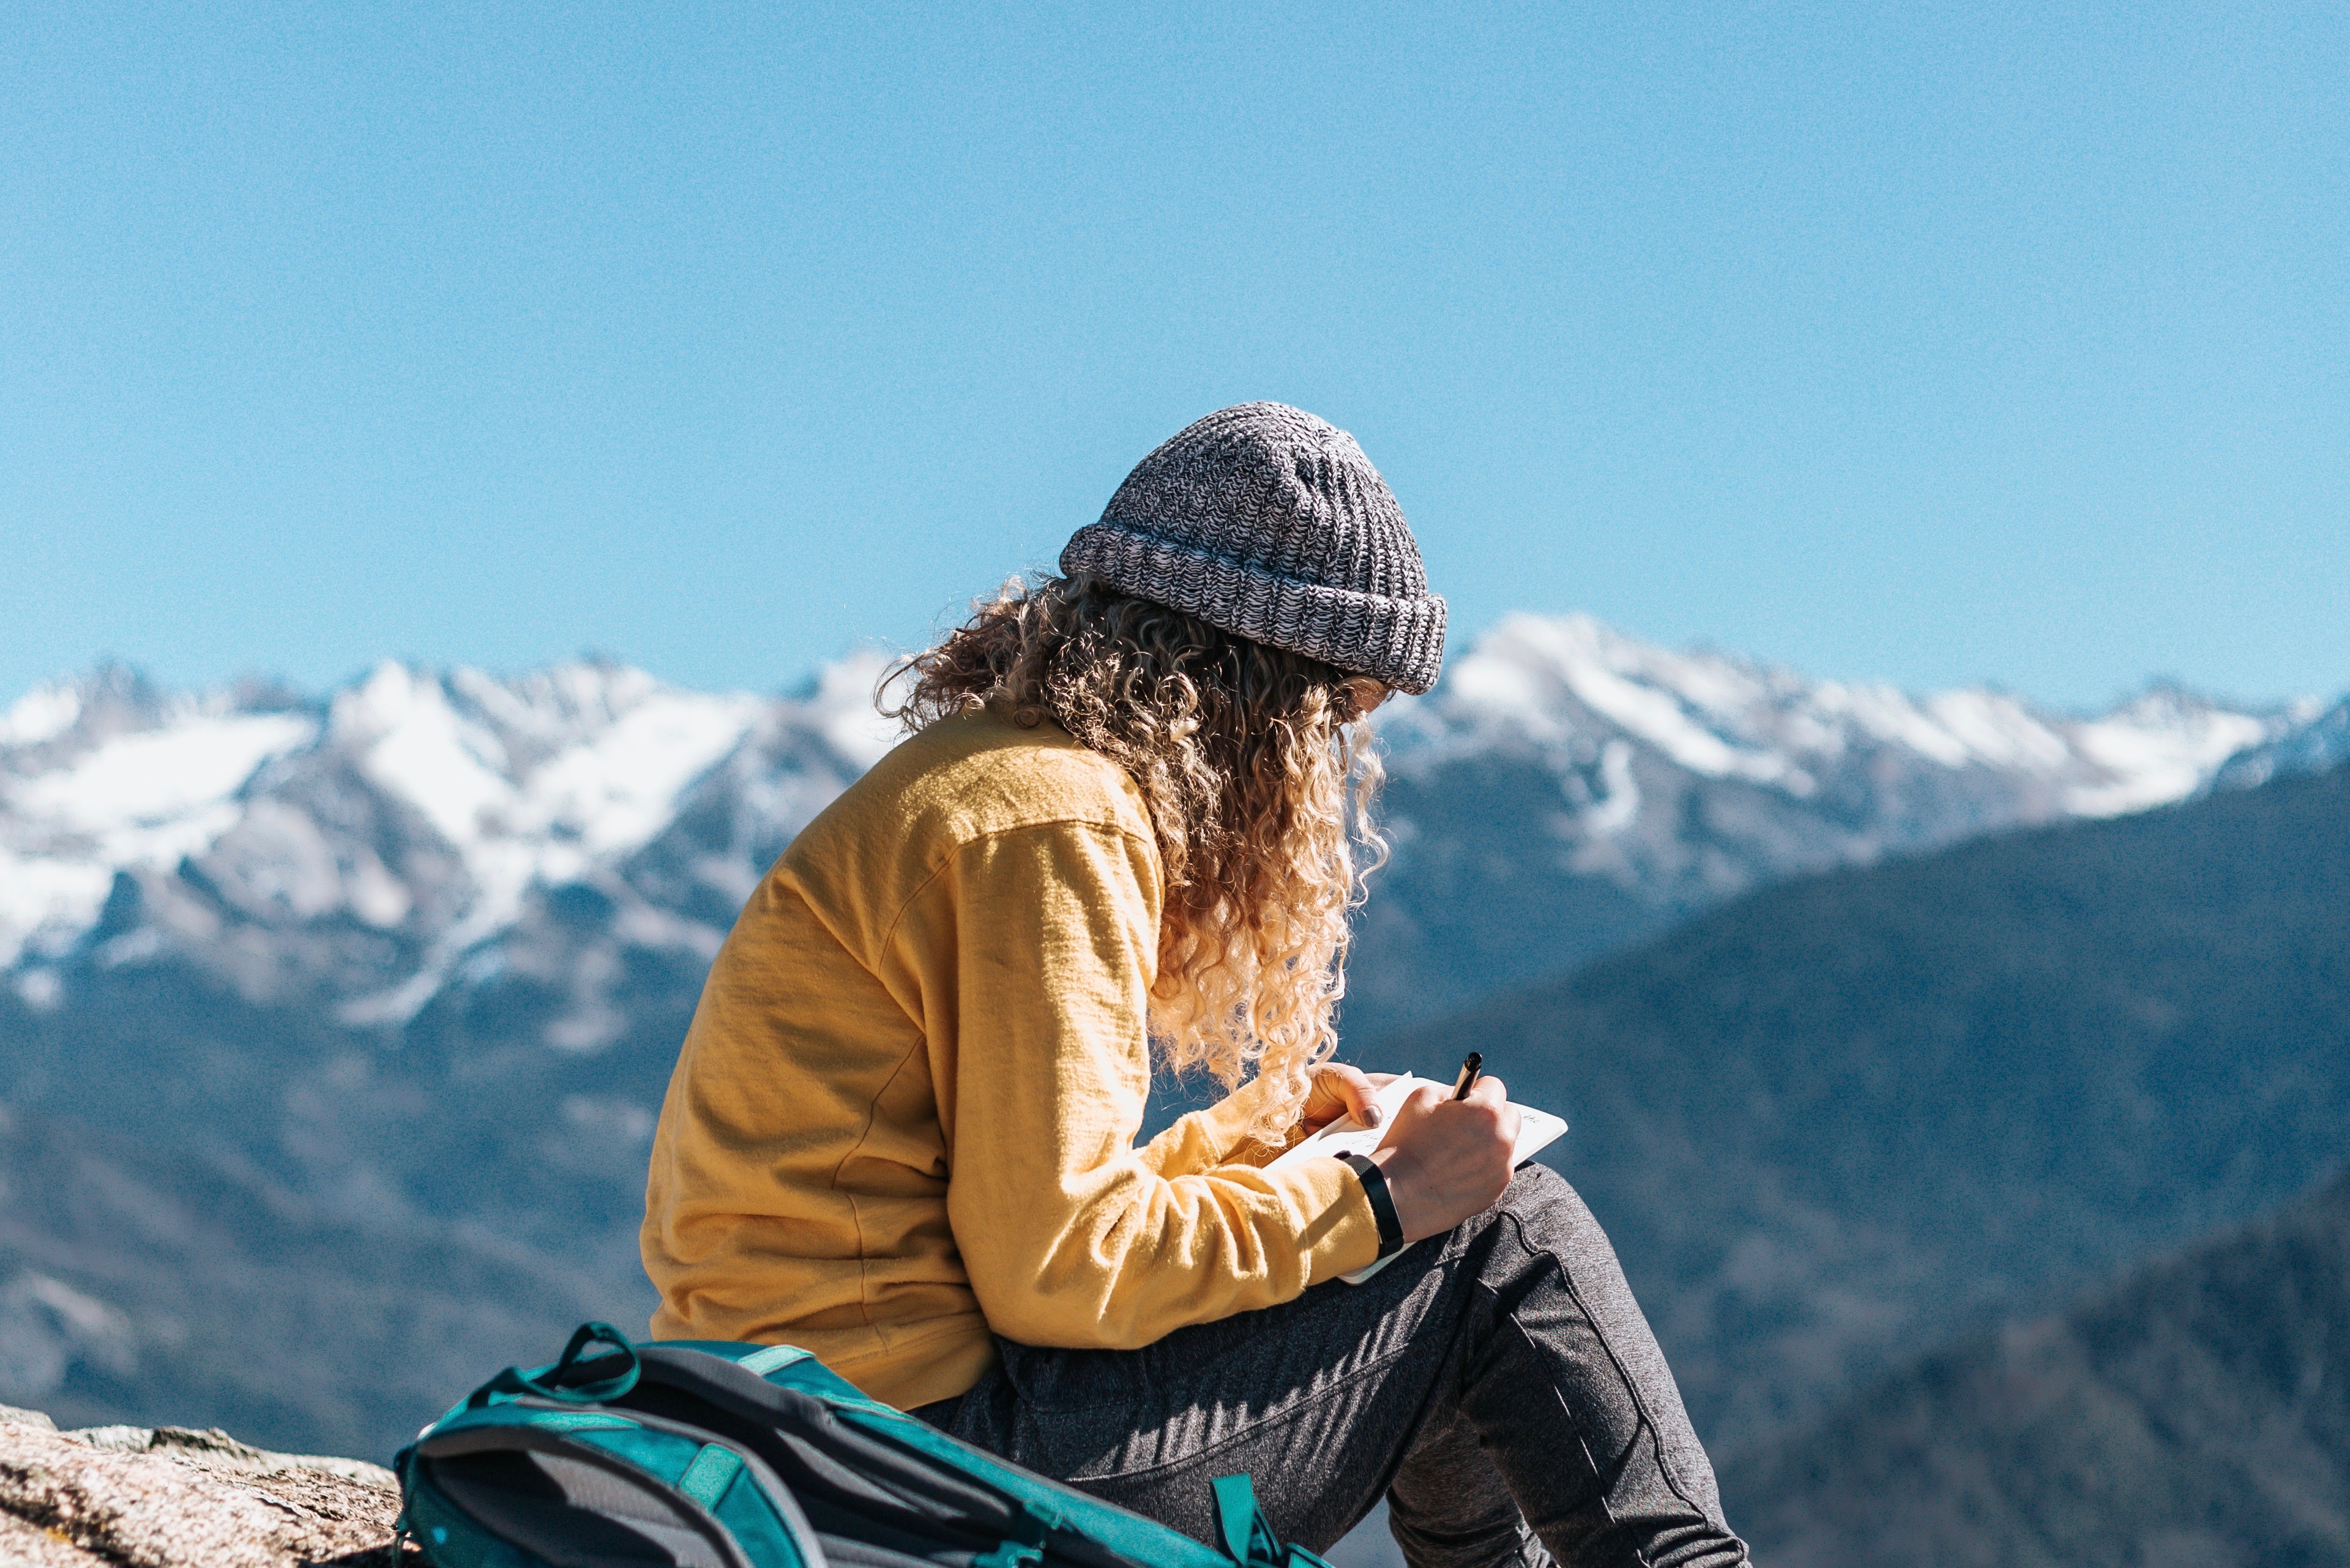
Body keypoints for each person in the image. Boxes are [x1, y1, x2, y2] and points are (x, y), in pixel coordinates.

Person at [641, 403, 1749, 1568]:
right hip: (908, 1469)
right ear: (1261, 698)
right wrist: (1382, 1200)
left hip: (802, 1436)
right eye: (1336, 722)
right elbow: (1058, 1270)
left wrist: (1257, 1141)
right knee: (1503, 1229)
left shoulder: (984, 784)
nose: (1331, 771)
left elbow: (1006, 1218)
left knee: (1449, 1243)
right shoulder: (1056, 824)